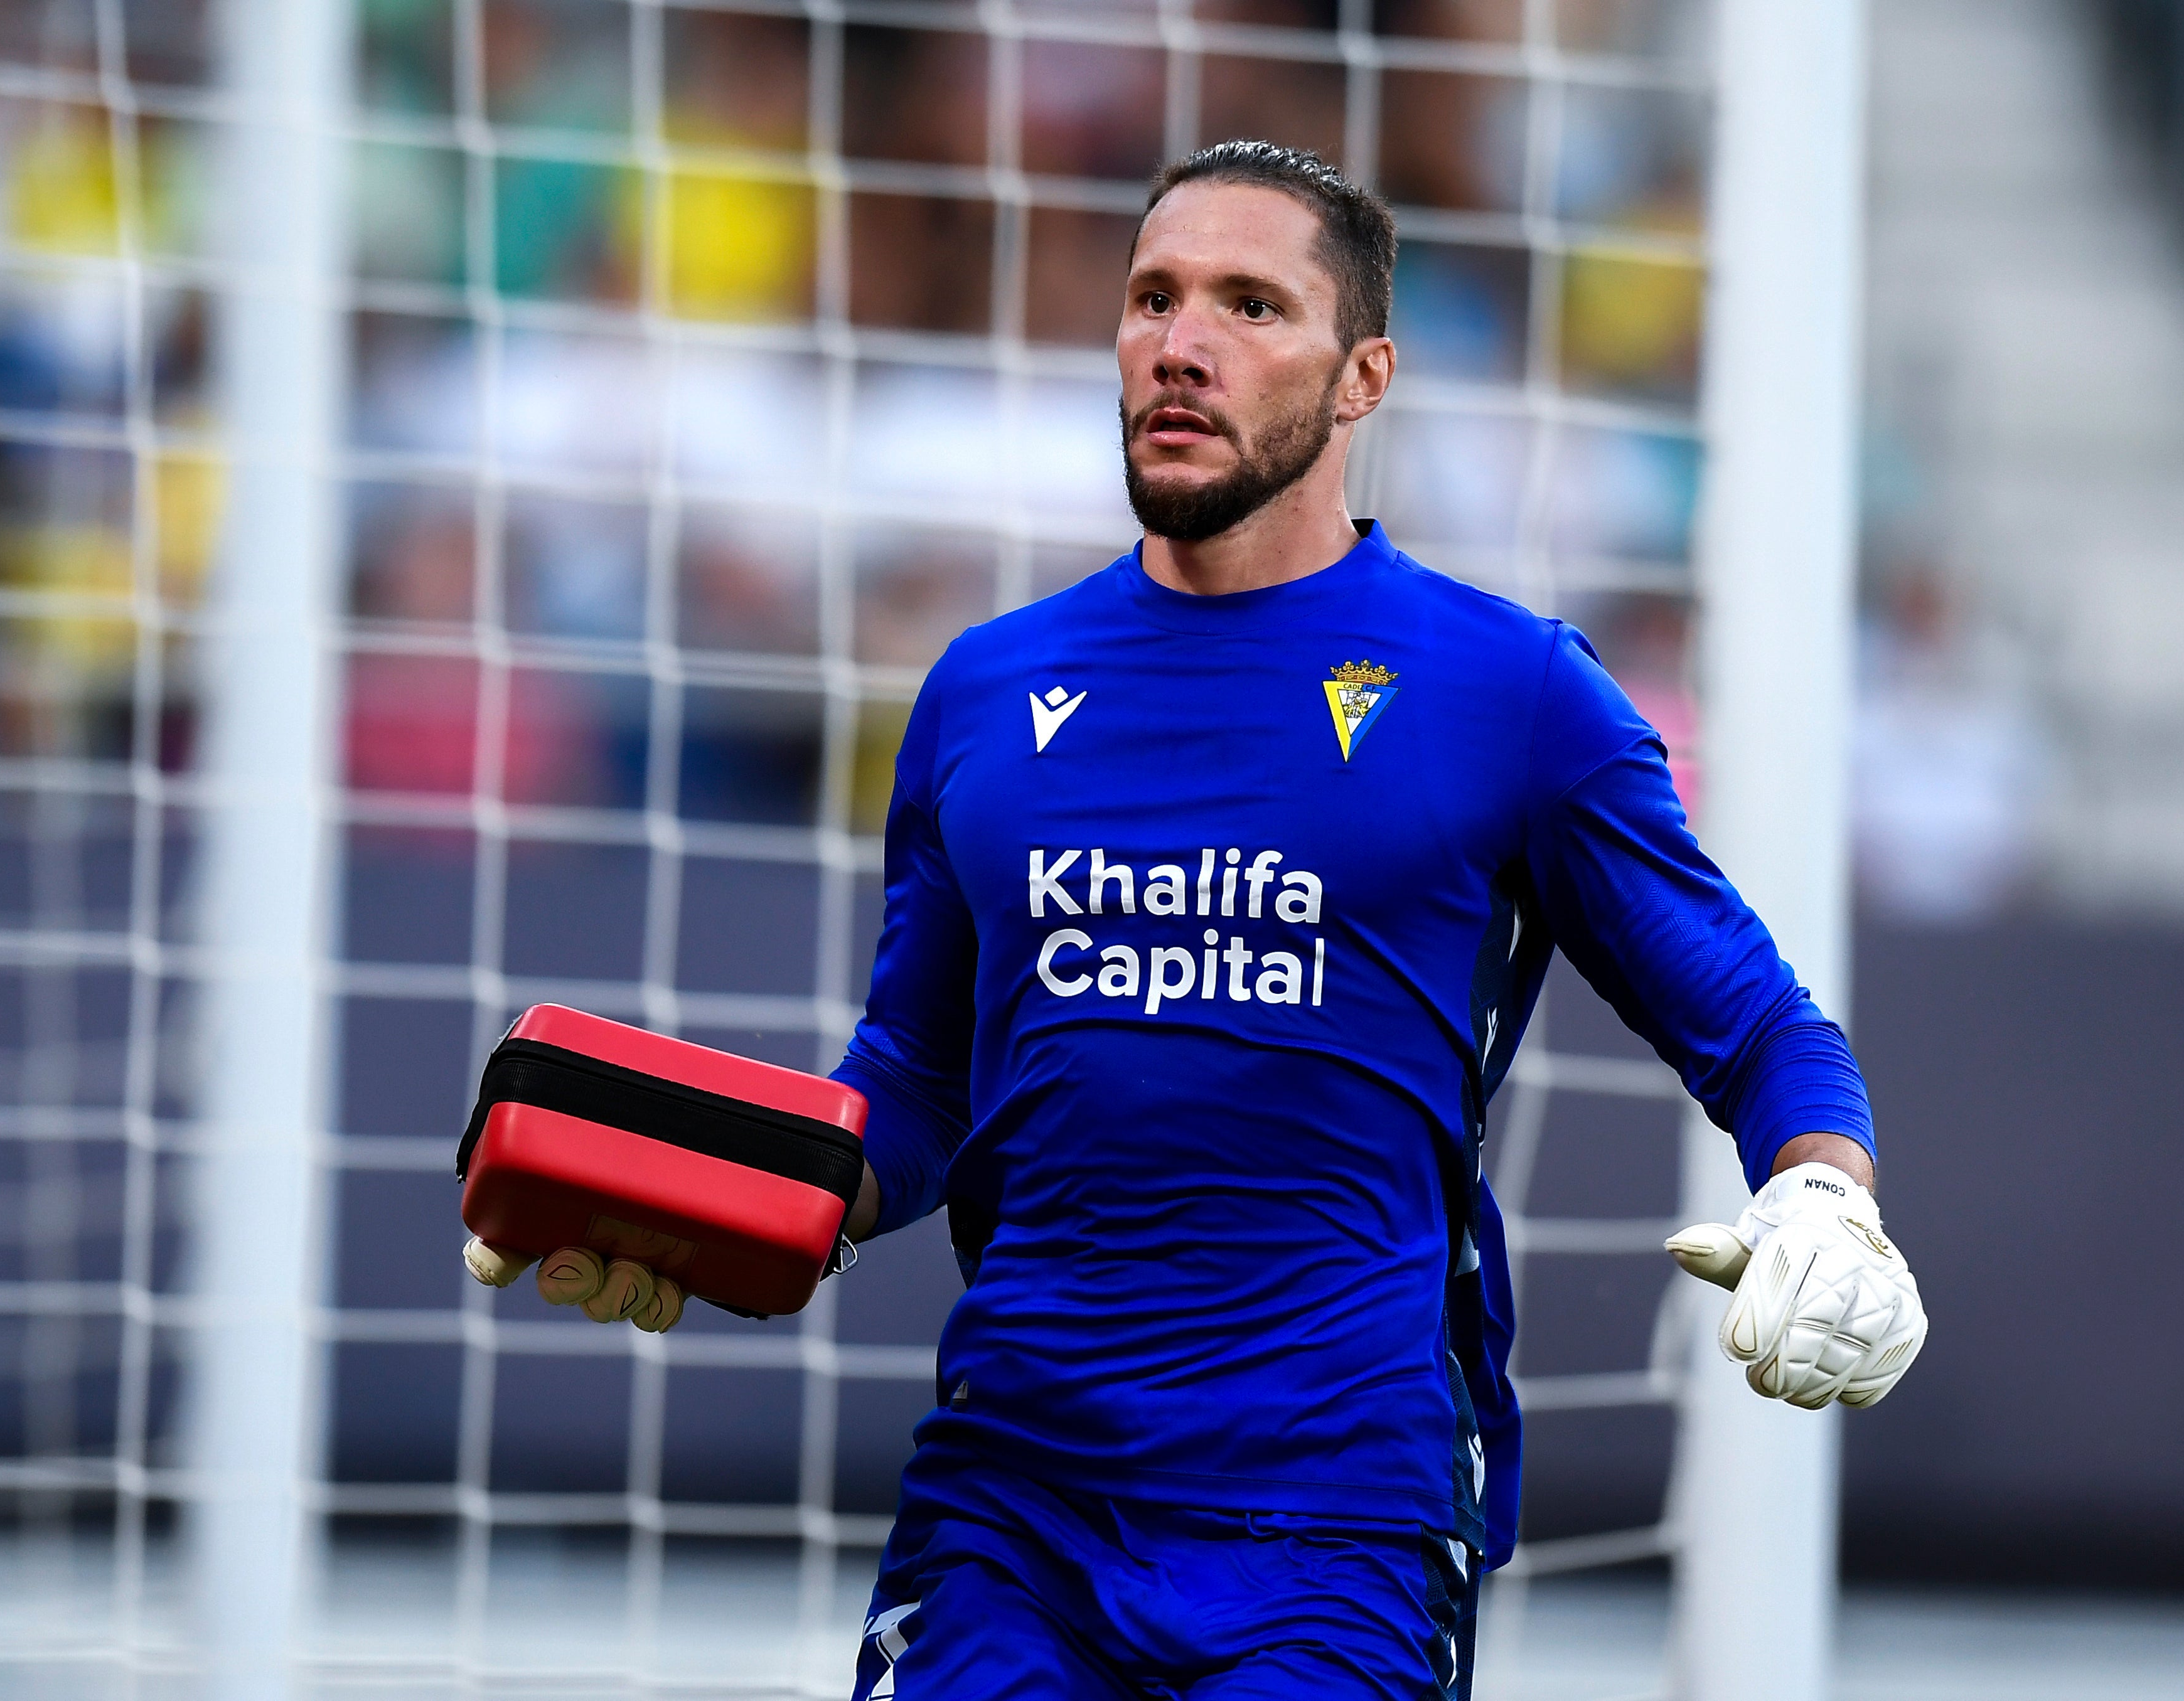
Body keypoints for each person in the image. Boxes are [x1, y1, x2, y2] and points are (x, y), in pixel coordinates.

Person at [503, 141, 1928, 1700]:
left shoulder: (1511, 692)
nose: (1181, 343)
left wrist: (1824, 1196)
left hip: (1339, 1529)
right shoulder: (983, 690)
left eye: (1252, 304)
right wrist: (733, 1213)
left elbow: (1760, 1023)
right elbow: (915, 1083)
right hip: (1009, 1508)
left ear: (1365, 376)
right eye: (1154, 298)